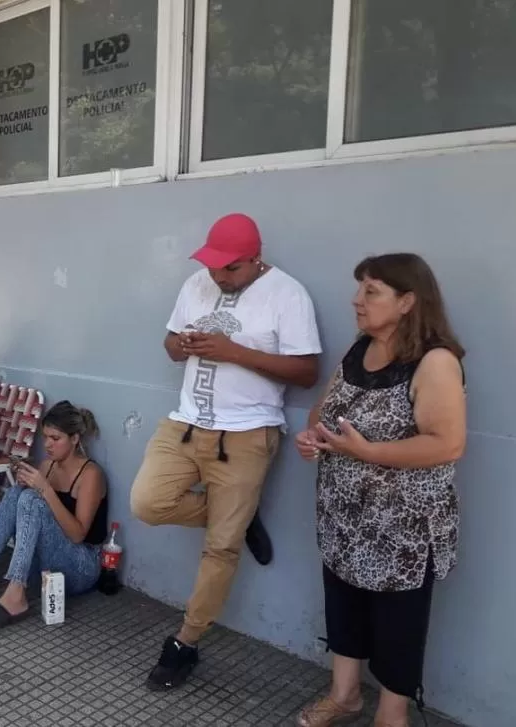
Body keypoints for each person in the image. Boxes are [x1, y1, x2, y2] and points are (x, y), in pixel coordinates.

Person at [130, 213, 322, 691]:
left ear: (256, 260)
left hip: (247, 434)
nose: (218, 276)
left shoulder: (288, 294)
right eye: (214, 267)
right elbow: (171, 345)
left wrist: (233, 351)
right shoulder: (197, 282)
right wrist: (185, 343)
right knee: (147, 503)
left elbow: (307, 372)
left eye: (229, 269)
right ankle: (234, 514)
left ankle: (185, 642)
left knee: (221, 546)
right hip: (186, 423)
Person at [295, 254, 465, 727]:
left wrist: (365, 452)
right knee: (343, 605)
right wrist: (315, 438)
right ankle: (344, 695)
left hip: (403, 529)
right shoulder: (358, 351)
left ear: (408, 301)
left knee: (398, 624)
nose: (357, 300)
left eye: (372, 291)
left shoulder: (434, 362)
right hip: (345, 518)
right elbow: (322, 412)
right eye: (360, 290)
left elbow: (447, 443)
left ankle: (392, 716)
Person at [0, 401, 107, 632]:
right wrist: (27, 485)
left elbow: (77, 535)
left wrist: (44, 490)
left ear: (74, 439)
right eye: (46, 437)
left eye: (56, 438)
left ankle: (16, 595)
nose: (48, 445)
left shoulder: (91, 474)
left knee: (33, 499)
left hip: (81, 567)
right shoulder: (48, 465)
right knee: (16, 493)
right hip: (45, 566)